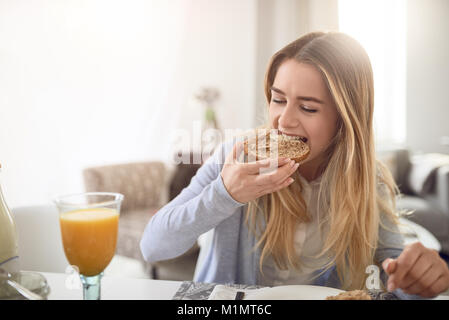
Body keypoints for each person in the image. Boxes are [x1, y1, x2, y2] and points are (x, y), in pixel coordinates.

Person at [140, 31, 449, 298]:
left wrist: (419, 277)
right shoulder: (237, 158)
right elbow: (153, 247)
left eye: (307, 107)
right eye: (278, 99)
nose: (284, 121)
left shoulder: (366, 181)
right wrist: (224, 194)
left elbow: (395, 273)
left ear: (344, 120)